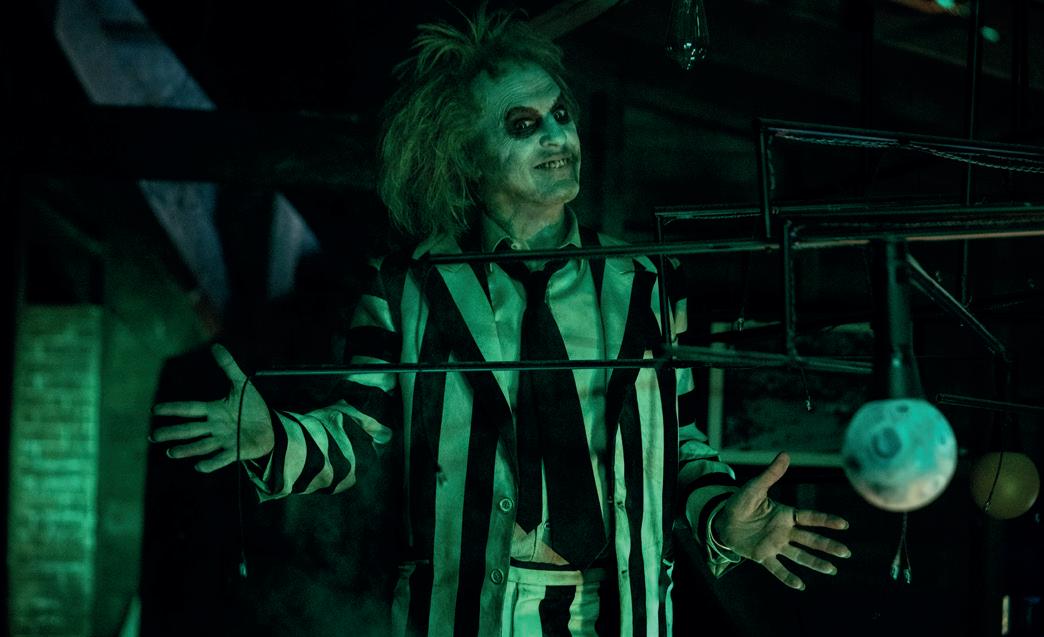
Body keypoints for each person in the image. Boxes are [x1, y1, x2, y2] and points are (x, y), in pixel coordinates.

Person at [151, 8, 850, 636]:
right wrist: (272, 439)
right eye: (524, 124)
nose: (557, 135)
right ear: (465, 155)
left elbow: (680, 442)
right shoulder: (407, 287)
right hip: (469, 612)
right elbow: (358, 432)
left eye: (560, 115)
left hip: (624, 608)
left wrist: (723, 516)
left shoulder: (648, 281)